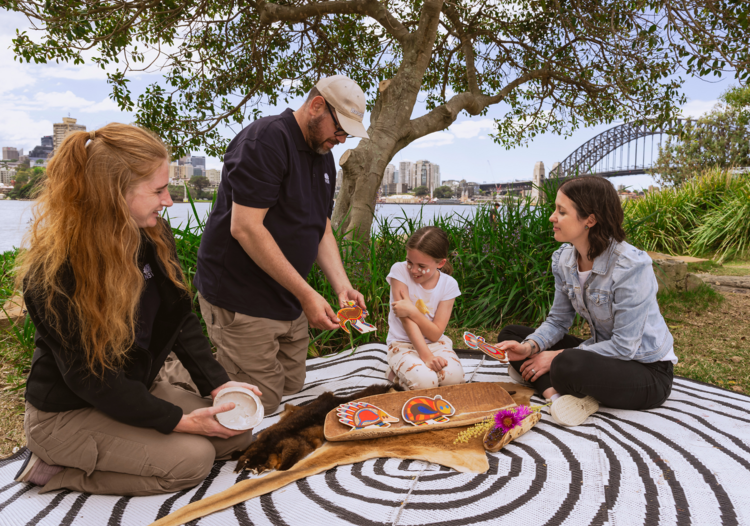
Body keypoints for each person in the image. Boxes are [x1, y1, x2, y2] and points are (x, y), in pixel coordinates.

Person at [14, 124, 261, 496]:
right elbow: (91, 380)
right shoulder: (54, 272)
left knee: (234, 432)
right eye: (159, 190)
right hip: (67, 412)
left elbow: (180, 320)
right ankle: (57, 471)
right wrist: (181, 422)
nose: (169, 202)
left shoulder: (152, 235)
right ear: (112, 194)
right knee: (191, 460)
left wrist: (218, 384)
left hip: (133, 389)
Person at [194, 75, 370, 414]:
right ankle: (169, 371)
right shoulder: (266, 140)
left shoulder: (323, 153)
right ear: (317, 106)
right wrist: (307, 295)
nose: (343, 137)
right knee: (264, 402)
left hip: (286, 296)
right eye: (340, 128)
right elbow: (245, 228)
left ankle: (225, 363)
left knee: (292, 385)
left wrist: (342, 285)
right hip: (241, 294)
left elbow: (322, 227)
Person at [497, 176, 676, 426]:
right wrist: (531, 348)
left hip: (647, 371)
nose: (552, 217)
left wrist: (555, 356)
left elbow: (625, 347)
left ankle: (545, 379)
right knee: (513, 336)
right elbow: (558, 321)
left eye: (561, 211)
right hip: (602, 355)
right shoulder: (564, 259)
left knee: (565, 364)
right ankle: (557, 398)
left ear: (590, 220)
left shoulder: (631, 266)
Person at [386, 226, 465, 390]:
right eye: (409, 262)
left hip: (436, 344)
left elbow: (435, 334)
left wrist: (412, 310)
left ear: (441, 263)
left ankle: (404, 373)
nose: (413, 270)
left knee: (453, 380)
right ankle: (395, 369)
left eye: (421, 265)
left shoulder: (449, 285)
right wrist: (426, 356)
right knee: (425, 383)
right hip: (402, 344)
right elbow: (405, 320)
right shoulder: (399, 271)